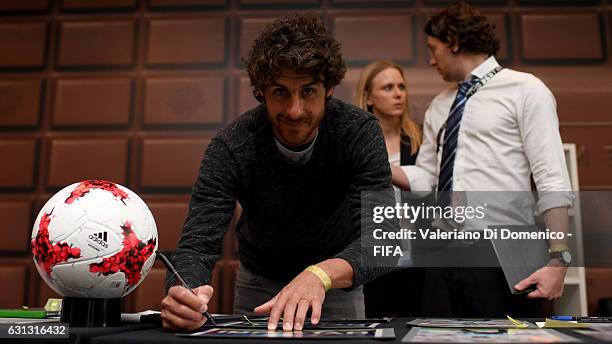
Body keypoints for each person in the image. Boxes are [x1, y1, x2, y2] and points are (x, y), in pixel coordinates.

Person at [160, 13, 396, 332]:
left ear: (329, 89)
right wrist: (182, 293)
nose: (295, 110)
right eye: (281, 92)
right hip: (260, 285)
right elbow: (197, 244)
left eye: (308, 91)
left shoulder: (358, 132)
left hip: (334, 285)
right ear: (261, 92)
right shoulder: (232, 146)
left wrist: (320, 274)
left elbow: (382, 238)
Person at [401, 2, 574, 317]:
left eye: (433, 49)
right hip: (443, 252)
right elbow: (427, 178)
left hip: (502, 252)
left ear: (453, 42)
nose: (429, 60)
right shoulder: (439, 105)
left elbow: (551, 178)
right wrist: (376, 167)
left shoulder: (526, 90)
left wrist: (558, 258)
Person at [354, 60, 424, 317]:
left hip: (417, 261)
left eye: (401, 86)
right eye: (387, 87)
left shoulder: (420, 140)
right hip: (371, 261)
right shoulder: (355, 144)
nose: (398, 94)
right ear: (368, 97)